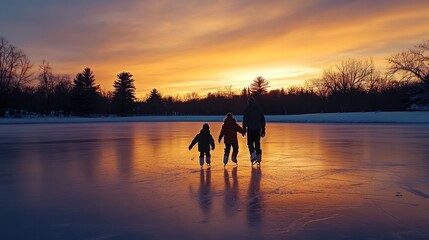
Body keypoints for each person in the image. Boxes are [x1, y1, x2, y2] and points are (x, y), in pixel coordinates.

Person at [243, 97, 266, 165]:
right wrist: (263, 129)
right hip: (258, 129)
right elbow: (262, 119)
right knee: (257, 142)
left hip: (250, 129)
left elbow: (245, 119)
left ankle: (253, 154)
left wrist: (244, 129)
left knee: (250, 143)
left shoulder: (247, 109)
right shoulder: (259, 109)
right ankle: (258, 155)